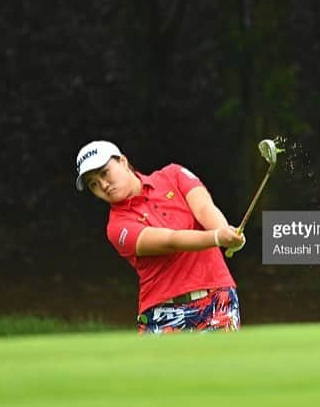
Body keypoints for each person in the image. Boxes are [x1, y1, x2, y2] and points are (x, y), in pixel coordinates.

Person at [75, 140, 246, 334]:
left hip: (217, 297)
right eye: (93, 184)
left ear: (123, 162)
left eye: (105, 173)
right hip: (162, 313)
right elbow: (170, 241)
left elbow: (204, 208)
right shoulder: (117, 227)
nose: (103, 185)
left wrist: (227, 233)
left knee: (222, 364)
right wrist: (217, 237)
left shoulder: (173, 174)